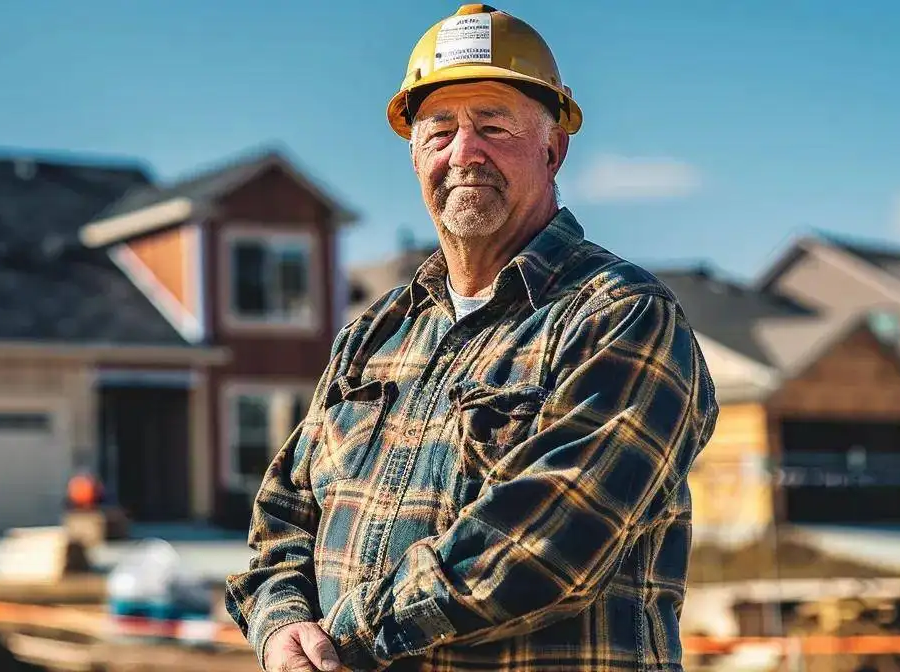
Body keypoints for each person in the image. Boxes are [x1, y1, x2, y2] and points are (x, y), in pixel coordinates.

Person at [223, 4, 719, 671]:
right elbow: (284, 515)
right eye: (440, 129)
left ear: (553, 147)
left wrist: (340, 643)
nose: (464, 153)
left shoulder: (620, 318)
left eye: (491, 125)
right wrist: (282, 623)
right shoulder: (374, 336)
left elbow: (544, 547)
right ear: (413, 152)